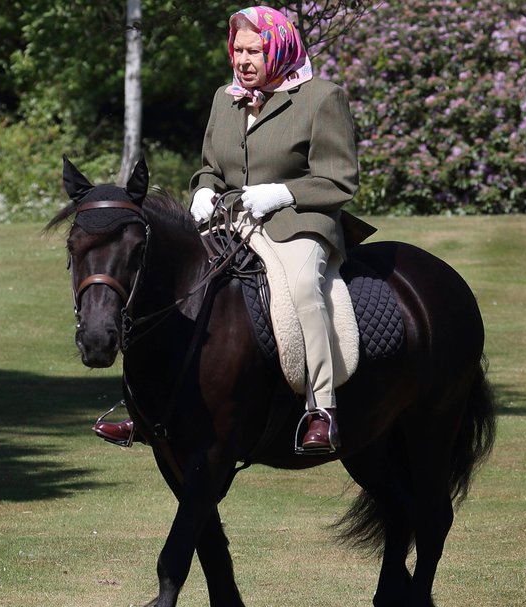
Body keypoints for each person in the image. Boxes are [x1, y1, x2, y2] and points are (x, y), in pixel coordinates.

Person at [95, 5, 360, 454]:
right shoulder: (226, 96)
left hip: (298, 222)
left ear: (278, 47)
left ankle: (322, 409)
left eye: (254, 50)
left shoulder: (322, 98)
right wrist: (202, 189)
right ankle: (143, 408)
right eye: (237, 50)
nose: (243, 60)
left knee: (300, 288)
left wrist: (283, 193)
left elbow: (340, 179)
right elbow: (211, 168)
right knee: (167, 281)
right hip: (231, 221)